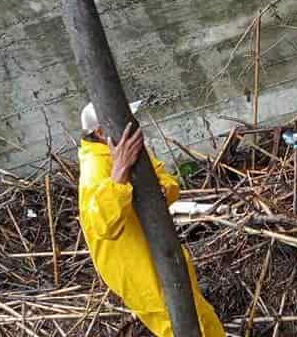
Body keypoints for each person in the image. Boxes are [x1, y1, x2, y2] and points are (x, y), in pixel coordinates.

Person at [78, 102, 225, 337]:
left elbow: (166, 180)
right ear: (101, 133)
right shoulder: (95, 167)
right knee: (176, 324)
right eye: (124, 119)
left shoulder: (126, 148)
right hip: (138, 270)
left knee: (199, 313)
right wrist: (119, 173)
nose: (133, 124)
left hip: (163, 254)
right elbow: (102, 225)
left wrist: (162, 190)